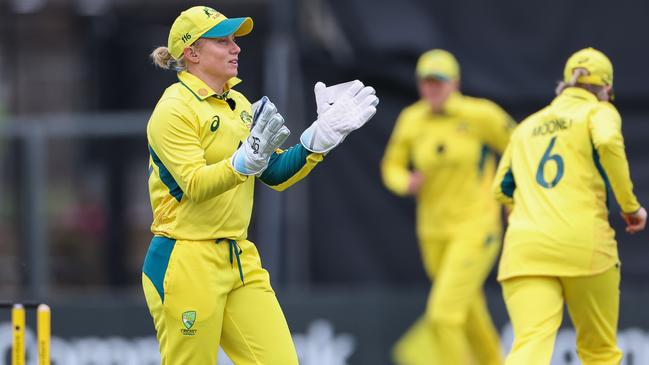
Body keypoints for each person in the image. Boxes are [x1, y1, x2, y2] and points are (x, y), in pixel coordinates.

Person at [140, 6, 379, 364]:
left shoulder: (239, 104)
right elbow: (194, 184)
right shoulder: (173, 109)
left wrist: (318, 140)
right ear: (191, 53)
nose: (236, 48)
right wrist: (241, 162)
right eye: (223, 41)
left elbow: (273, 174)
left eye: (235, 40)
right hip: (184, 258)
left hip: (238, 256)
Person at [493, 47, 647, 365]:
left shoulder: (525, 128)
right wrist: (631, 207)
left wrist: (529, 216)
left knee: (529, 347)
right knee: (600, 353)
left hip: (526, 251)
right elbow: (606, 141)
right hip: (585, 246)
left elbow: (501, 189)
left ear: (564, 85)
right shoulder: (599, 112)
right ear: (606, 89)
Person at [381, 49, 514, 365]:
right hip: (433, 232)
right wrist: (404, 181)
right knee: (469, 312)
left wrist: (513, 195)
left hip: (476, 227)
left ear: (455, 82)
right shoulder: (412, 119)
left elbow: (520, 146)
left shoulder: (480, 115)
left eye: (439, 81)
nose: (433, 89)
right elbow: (392, 164)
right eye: (427, 82)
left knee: (443, 315)